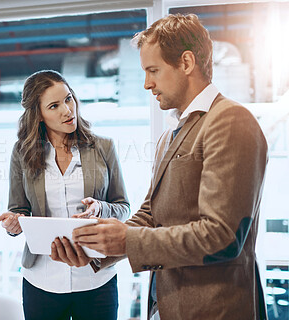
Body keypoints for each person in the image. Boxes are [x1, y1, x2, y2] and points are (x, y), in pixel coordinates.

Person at [51, 14, 269, 320]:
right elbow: (152, 215)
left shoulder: (230, 121)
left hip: (213, 310)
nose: (146, 83)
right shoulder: (170, 134)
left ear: (186, 63)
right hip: (165, 308)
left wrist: (126, 240)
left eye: (153, 70)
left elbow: (223, 236)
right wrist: (95, 247)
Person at [0, 70, 130, 320]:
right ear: (40, 115)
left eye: (68, 99)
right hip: (42, 281)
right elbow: (19, 209)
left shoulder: (104, 147)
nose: (67, 110)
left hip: (96, 279)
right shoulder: (22, 153)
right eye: (54, 105)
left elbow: (123, 207)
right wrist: (14, 223)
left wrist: (100, 208)